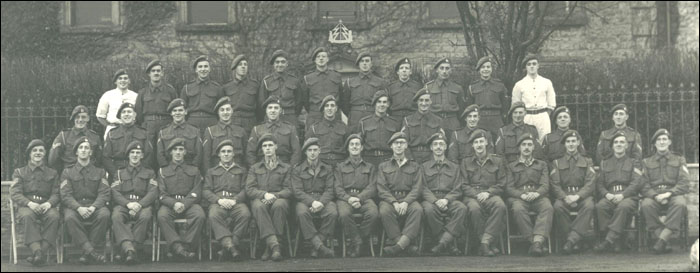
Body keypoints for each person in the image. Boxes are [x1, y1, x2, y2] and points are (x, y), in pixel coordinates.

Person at [60, 137, 111, 264]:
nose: (83, 150)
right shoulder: (67, 172)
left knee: (105, 214)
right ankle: (92, 252)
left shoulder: (100, 172)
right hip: (75, 207)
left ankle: (86, 252)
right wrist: (78, 208)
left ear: (91, 152)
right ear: (76, 152)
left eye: (86, 148)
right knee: (69, 218)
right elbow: (65, 195)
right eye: (80, 148)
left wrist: (93, 207)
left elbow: (104, 193)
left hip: (94, 206)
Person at [10, 140, 60, 266]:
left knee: (55, 216)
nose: (38, 153)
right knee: (27, 216)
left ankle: (38, 254)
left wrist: (49, 203)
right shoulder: (20, 172)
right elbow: (15, 193)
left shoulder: (52, 173)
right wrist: (29, 203)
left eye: (41, 150)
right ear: (29, 154)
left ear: (45, 153)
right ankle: (38, 252)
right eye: (35, 150)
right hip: (27, 206)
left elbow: (57, 193)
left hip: (46, 205)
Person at [640, 129, 690, 254]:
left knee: (680, 204)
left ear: (669, 142)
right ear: (654, 144)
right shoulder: (646, 161)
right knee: (646, 205)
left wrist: (669, 193)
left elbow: (684, 182)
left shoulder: (679, 159)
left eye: (664, 139)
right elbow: (643, 184)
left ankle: (661, 240)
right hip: (654, 195)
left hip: (673, 194)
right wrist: (655, 195)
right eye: (658, 140)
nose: (661, 142)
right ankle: (663, 240)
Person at [460, 129, 507, 257]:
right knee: (474, 208)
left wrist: (488, 193)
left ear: (486, 142)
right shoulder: (465, 162)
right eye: (476, 142)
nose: (479, 145)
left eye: (481, 141)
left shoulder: (498, 161)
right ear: (472, 145)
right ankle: (487, 243)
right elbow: (464, 185)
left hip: (491, 194)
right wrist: (476, 194)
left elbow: (502, 183)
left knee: (500, 206)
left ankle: (484, 242)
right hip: (472, 196)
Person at [156, 138, 205, 260]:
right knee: (162, 215)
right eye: (175, 149)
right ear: (170, 153)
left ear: (185, 152)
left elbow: (197, 191)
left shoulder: (194, 170)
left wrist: (184, 204)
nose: (178, 152)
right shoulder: (163, 171)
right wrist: (174, 204)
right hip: (169, 204)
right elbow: (162, 193)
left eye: (181, 149)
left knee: (200, 215)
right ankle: (177, 247)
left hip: (189, 204)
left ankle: (187, 246)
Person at [594, 131, 643, 253]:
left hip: (628, 197)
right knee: (600, 206)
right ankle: (616, 240)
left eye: (622, 142)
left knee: (623, 206)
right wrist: (607, 194)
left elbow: (636, 183)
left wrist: (623, 195)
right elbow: (599, 184)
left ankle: (608, 241)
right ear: (612, 146)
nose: (619, 144)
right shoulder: (604, 163)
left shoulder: (634, 162)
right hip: (610, 196)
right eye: (616, 142)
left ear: (627, 145)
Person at [505, 133, 553, 257]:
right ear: (519, 148)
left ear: (533, 148)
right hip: (519, 198)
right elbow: (509, 188)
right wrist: (522, 195)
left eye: (529, 145)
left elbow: (545, 185)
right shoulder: (511, 166)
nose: (526, 147)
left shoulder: (541, 165)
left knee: (547, 207)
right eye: (524, 145)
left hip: (538, 196)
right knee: (518, 209)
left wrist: (536, 193)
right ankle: (534, 243)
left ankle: (537, 242)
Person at [110, 140, 158, 264]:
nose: (135, 155)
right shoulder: (120, 173)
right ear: (128, 155)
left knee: (146, 216)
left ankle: (128, 250)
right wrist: (128, 204)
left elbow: (153, 192)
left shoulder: (149, 172)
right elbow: (115, 192)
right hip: (124, 205)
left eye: (138, 152)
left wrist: (140, 204)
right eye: (132, 152)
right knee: (116, 216)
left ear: (142, 155)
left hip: (143, 205)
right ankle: (131, 250)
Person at [245, 133, 291, 262]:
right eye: (264, 146)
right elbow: (249, 189)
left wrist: (275, 196)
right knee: (258, 206)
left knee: (280, 205)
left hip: (279, 198)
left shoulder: (286, 167)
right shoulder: (254, 168)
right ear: (262, 150)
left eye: (270, 145)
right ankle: (276, 246)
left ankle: (268, 247)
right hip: (261, 199)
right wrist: (264, 194)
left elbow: (289, 189)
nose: (268, 148)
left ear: (276, 146)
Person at [377, 132, 424, 256]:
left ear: (406, 146)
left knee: (417, 209)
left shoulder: (415, 166)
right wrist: (393, 202)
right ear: (391, 146)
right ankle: (404, 245)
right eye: (396, 143)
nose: (398, 145)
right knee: (384, 211)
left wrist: (406, 202)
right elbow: (382, 188)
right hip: (390, 199)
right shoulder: (383, 166)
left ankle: (397, 247)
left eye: (401, 143)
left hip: (408, 199)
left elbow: (417, 188)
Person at [549, 130, 596, 254]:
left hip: (582, 196)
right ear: (564, 144)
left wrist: (578, 196)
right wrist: (565, 197)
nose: (571, 144)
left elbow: (590, 183)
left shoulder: (587, 161)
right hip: (564, 197)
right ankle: (575, 240)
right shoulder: (557, 162)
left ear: (578, 143)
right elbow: (555, 185)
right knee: (557, 207)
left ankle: (570, 241)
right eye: (568, 142)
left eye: (573, 141)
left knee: (589, 206)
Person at [204, 140, 251, 261]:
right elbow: (206, 190)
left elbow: (246, 189)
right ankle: (232, 247)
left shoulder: (242, 170)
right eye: (223, 152)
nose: (226, 154)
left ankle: (228, 246)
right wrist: (218, 200)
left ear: (233, 154)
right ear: (219, 155)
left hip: (236, 202)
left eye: (229, 151)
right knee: (213, 215)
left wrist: (235, 200)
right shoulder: (211, 171)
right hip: (218, 203)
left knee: (245, 214)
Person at [334, 134, 379, 258]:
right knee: (343, 214)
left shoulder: (370, 167)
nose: (354, 147)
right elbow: (337, 188)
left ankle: (357, 240)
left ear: (362, 147)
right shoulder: (340, 167)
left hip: (364, 198)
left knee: (373, 213)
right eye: (352, 144)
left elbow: (372, 187)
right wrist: (349, 198)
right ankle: (358, 242)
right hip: (345, 198)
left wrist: (359, 198)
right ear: (348, 148)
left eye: (357, 144)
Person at [421, 132, 466, 255]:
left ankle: (441, 243)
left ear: (446, 147)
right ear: (431, 148)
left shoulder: (455, 167)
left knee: (461, 208)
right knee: (429, 210)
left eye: (441, 144)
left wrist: (446, 200)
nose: (438, 147)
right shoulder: (424, 167)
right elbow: (423, 188)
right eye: (435, 144)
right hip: (431, 200)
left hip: (449, 200)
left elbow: (458, 188)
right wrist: (435, 201)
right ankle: (448, 243)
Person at [291, 138, 337, 258]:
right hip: (305, 201)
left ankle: (316, 245)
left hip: (323, 199)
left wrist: (321, 202)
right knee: (301, 213)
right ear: (305, 152)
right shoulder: (297, 169)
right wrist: (312, 202)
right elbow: (297, 191)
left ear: (320, 151)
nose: (312, 153)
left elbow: (330, 189)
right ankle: (320, 247)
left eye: (315, 150)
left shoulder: (327, 168)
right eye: (309, 150)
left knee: (332, 212)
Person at [134, 59, 178, 165]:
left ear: (162, 73)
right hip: (149, 127)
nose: (156, 73)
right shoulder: (143, 92)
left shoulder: (170, 90)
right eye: (153, 71)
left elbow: (176, 109)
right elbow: (138, 113)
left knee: (166, 152)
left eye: (158, 71)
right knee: (149, 154)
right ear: (149, 74)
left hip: (166, 125)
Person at [511, 53, 556, 142]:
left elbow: (551, 103)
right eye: (529, 64)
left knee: (544, 141)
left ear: (538, 66)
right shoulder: (519, 85)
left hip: (543, 116)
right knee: (528, 140)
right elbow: (515, 105)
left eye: (534, 64)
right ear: (526, 67)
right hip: (527, 117)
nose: (532, 66)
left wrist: (545, 115)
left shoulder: (546, 82)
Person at [246, 96, 301, 165]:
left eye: (276, 108)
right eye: (270, 108)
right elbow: (250, 153)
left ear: (280, 110)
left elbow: (296, 152)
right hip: (262, 165)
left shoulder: (290, 128)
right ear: (266, 110)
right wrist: (256, 169)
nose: (273, 110)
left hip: (284, 166)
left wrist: (290, 169)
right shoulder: (257, 129)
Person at [102, 102, 151, 181]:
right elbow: (106, 157)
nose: (126, 114)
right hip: (117, 172)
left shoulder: (143, 133)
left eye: (129, 112)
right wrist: (116, 174)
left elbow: (148, 155)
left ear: (135, 115)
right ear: (120, 117)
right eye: (123, 112)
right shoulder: (112, 133)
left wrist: (141, 172)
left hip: (139, 172)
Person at [48, 105, 102, 172]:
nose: (80, 120)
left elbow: (100, 160)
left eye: (83, 117)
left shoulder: (94, 137)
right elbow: (53, 159)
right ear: (73, 119)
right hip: (69, 174)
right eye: (77, 117)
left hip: (90, 174)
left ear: (88, 118)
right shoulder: (64, 136)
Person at [259, 50, 304, 129]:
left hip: (290, 118)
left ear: (287, 64)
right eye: (277, 62)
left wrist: (292, 114)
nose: (280, 64)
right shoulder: (266, 81)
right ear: (273, 64)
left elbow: (299, 102)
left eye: (283, 62)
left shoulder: (294, 81)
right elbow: (262, 102)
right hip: (271, 118)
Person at [343, 52, 388, 129]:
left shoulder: (380, 82)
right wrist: (353, 113)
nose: (364, 63)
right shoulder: (350, 82)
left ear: (371, 64)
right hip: (355, 117)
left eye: (367, 61)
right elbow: (344, 103)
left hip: (372, 114)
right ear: (358, 64)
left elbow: (385, 100)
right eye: (362, 61)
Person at [181, 55, 225, 134]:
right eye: (200, 67)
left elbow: (221, 108)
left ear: (209, 69)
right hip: (192, 122)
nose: (203, 69)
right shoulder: (187, 87)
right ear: (196, 70)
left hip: (211, 121)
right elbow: (182, 108)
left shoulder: (217, 88)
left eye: (205, 66)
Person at [303, 47, 344, 128]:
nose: (321, 58)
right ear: (315, 60)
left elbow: (342, 98)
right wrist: (315, 110)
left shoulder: (336, 76)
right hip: (315, 116)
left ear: (328, 59)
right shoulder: (308, 78)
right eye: (318, 57)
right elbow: (305, 101)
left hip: (333, 116)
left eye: (323, 56)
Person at [203, 97, 248, 170]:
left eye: (228, 109)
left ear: (232, 111)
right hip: (217, 170)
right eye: (222, 110)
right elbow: (206, 157)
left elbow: (246, 156)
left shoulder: (241, 131)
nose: (225, 112)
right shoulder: (210, 131)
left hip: (238, 170)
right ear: (218, 112)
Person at [358, 90, 401, 166]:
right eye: (379, 102)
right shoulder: (364, 122)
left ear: (388, 104)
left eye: (384, 102)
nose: (382, 105)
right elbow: (359, 144)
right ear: (374, 104)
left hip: (388, 160)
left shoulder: (395, 123)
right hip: (369, 160)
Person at [466, 56, 507, 136]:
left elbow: (505, 106)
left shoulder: (499, 85)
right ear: (479, 70)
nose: (486, 69)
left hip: (496, 120)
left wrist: (503, 119)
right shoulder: (473, 87)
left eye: (488, 67)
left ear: (491, 69)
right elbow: (469, 107)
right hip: (480, 121)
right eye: (483, 67)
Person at [156, 98, 203, 169]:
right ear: (171, 113)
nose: (177, 113)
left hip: (190, 169)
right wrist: (166, 168)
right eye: (174, 111)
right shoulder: (163, 132)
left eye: (180, 110)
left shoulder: (195, 130)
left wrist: (193, 169)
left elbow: (199, 153)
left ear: (186, 112)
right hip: (169, 169)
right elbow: (160, 154)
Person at [402, 88, 445, 164]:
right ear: (417, 102)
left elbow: (440, 142)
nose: (424, 103)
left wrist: (433, 159)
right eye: (421, 100)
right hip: (413, 155)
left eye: (427, 100)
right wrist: (410, 159)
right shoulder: (408, 120)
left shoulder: (438, 120)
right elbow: (404, 142)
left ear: (431, 102)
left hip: (431, 156)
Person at [424, 58, 466, 134]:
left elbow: (461, 110)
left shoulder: (457, 88)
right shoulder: (429, 87)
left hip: (453, 122)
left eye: (447, 68)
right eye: (441, 68)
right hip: (435, 121)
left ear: (451, 71)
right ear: (437, 70)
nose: (444, 71)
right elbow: (425, 108)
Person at [306, 95, 349, 167]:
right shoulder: (314, 128)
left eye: (332, 106)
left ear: (336, 109)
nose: (329, 108)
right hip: (321, 165)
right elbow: (308, 149)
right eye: (327, 106)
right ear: (323, 109)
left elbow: (348, 149)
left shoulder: (343, 127)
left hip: (340, 164)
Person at [96, 69, 138, 139]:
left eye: (125, 78)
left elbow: (139, 114)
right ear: (115, 81)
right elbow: (100, 116)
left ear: (129, 81)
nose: (123, 81)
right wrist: (110, 125)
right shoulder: (108, 95)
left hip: (131, 130)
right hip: (113, 129)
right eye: (120, 78)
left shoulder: (135, 96)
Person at [224, 54, 260, 135]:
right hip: (233, 121)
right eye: (240, 65)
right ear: (235, 68)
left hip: (250, 121)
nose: (243, 67)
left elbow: (259, 107)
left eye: (245, 64)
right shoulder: (227, 87)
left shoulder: (255, 85)